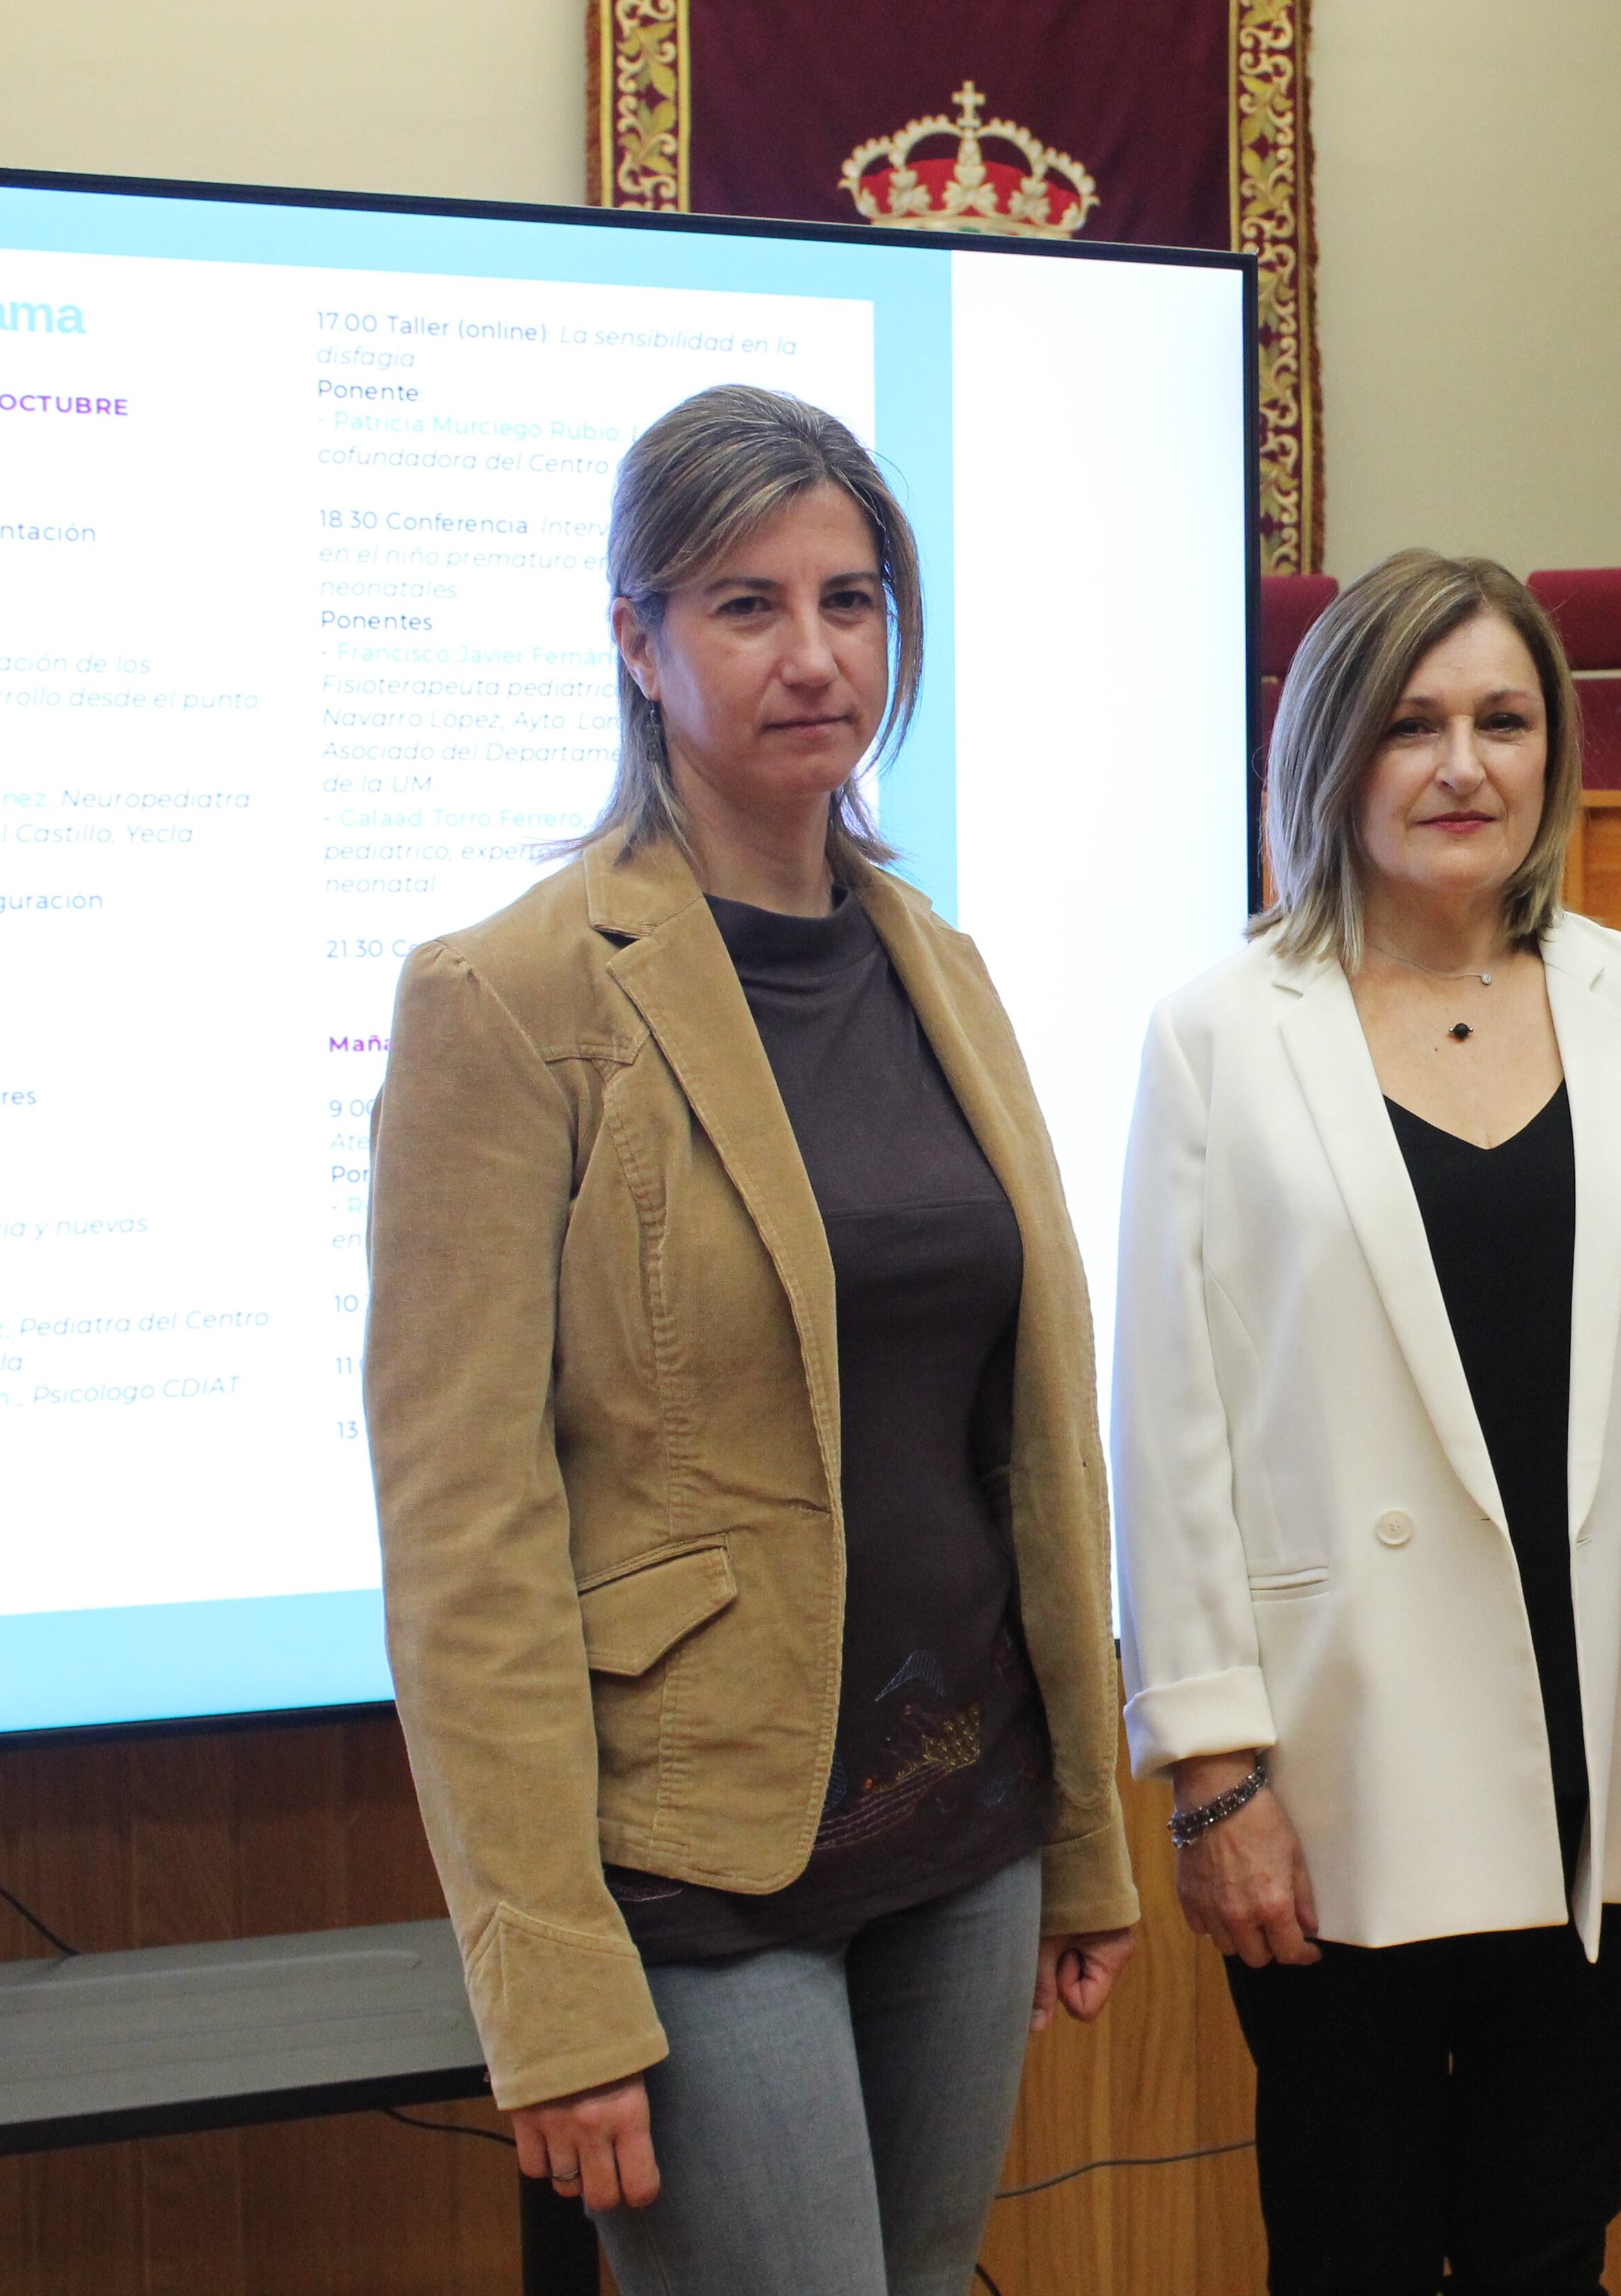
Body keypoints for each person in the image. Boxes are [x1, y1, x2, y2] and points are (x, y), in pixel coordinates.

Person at [364, 384, 1136, 2296]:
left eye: (853, 599)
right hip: (693, 1856)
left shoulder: (938, 960)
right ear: (636, 639)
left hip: (961, 1811)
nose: (816, 657)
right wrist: (545, 1983)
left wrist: (1084, 1832)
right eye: (745, 605)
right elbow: (464, 1535)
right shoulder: (509, 995)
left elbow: (1028, 1433)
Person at [1112, 548, 1621, 2295]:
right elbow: (1169, 1414)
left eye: (1504, 719)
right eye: (1412, 723)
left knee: (1551, 2225)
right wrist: (1211, 1773)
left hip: (1606, 1728)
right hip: (1336, 1756)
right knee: (1343, 2239)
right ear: (1332, 752)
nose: (1463, 765)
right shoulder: (1218, 1030)